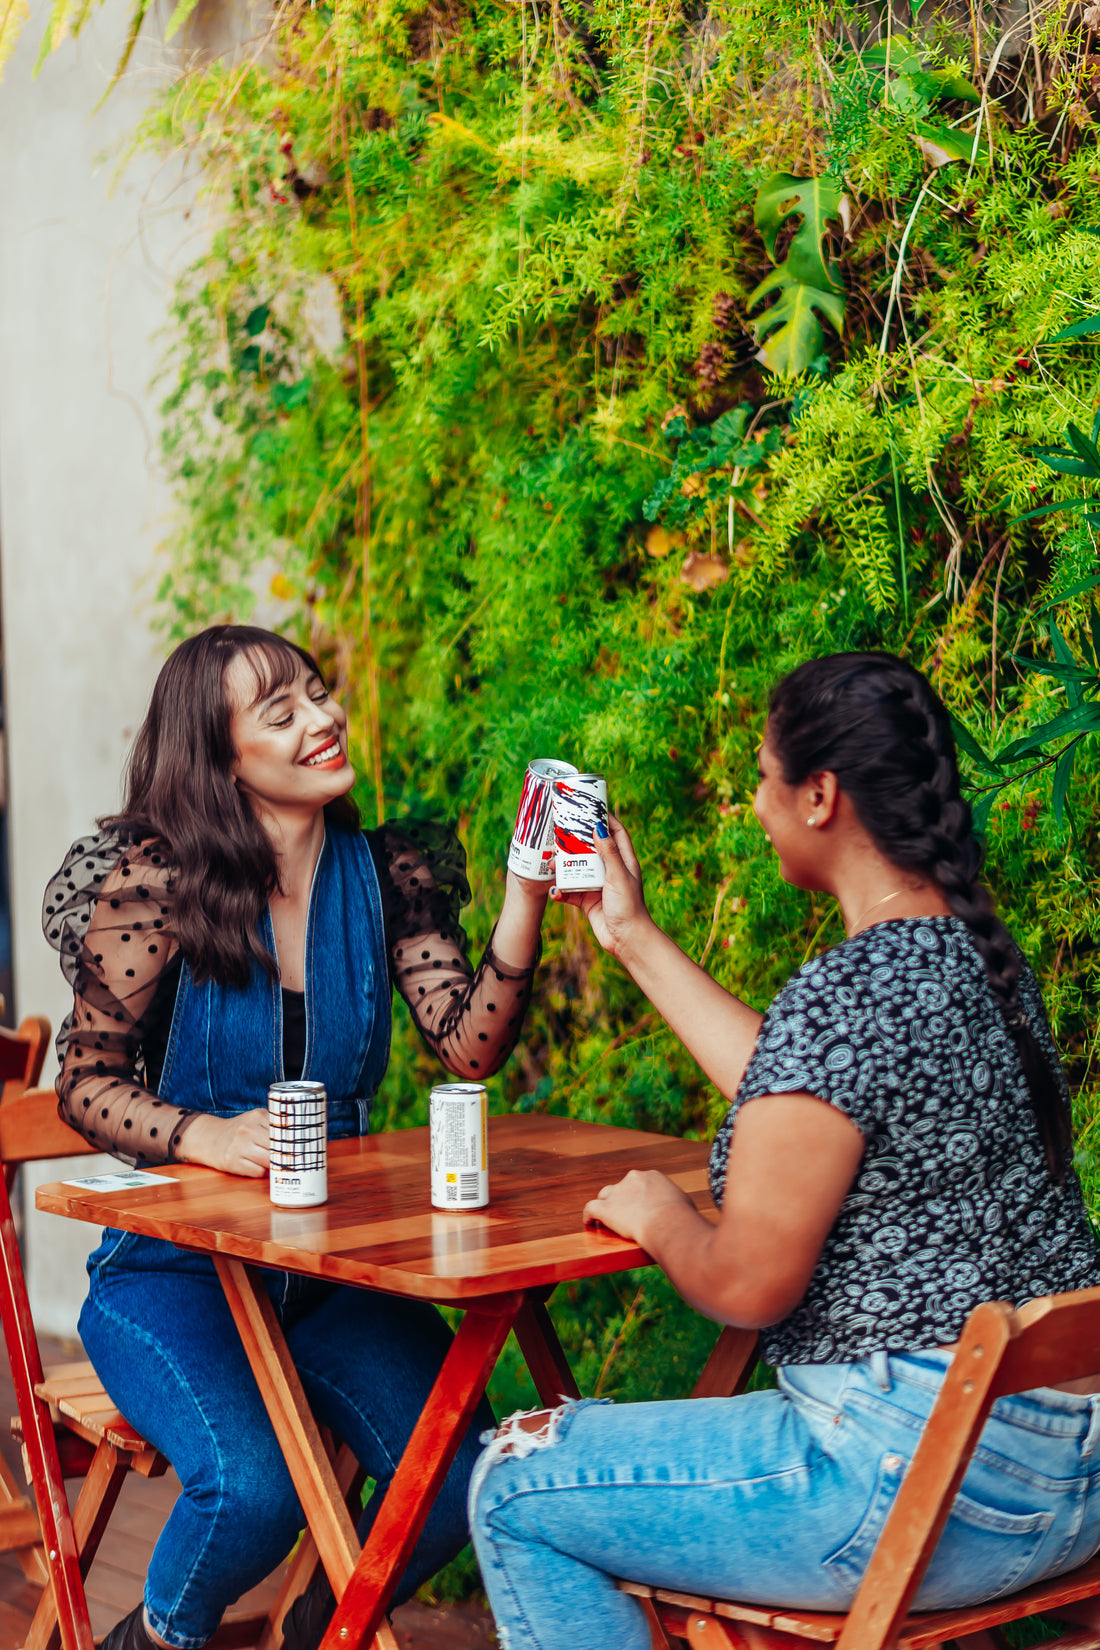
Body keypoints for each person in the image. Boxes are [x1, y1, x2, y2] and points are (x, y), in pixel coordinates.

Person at [468, 651, 1100, 1650]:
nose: (753, 804)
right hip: (1068, 1490)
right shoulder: (983, 963)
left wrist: (659, 1215)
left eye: (762, 780)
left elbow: (749, 1283)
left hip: (911, 1497)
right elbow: (806, 1092)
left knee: (511, 1481)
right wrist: (627, 934)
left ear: (818, 796)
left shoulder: (846, 995)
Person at [42, 625, 549, 1650]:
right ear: (220, 759)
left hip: (331, 1275)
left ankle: (324, 1632)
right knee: (252, 1492)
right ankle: (152, 1641)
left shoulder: (383, 872)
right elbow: (84, 1085)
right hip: (171, 1277)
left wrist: (523, 897)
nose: (322, 719)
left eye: (317, 693)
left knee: (460, 1474)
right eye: (281, 712)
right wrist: (201, 1136)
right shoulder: (158, 889)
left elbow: (468, 1045)